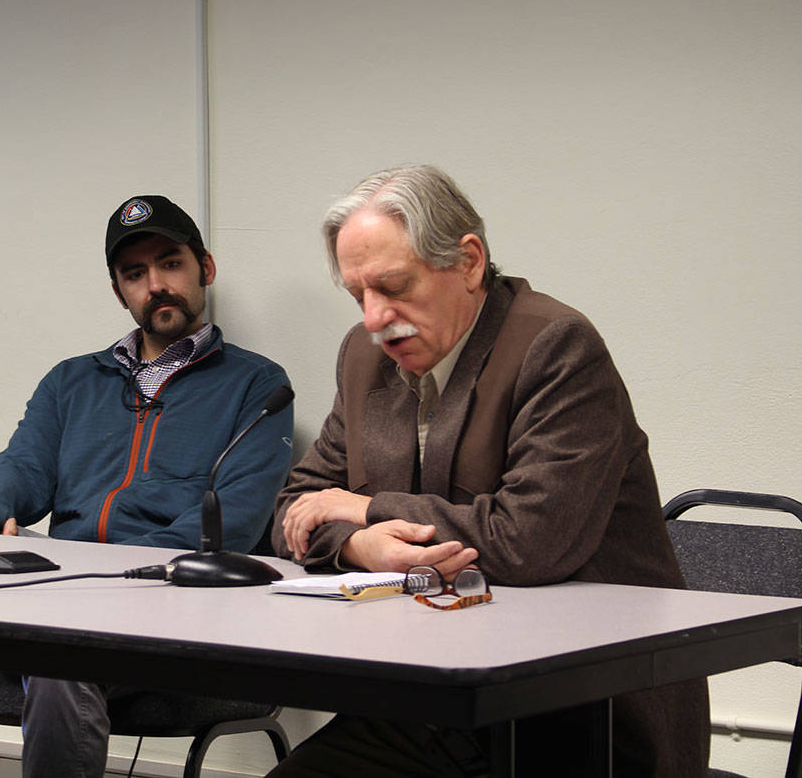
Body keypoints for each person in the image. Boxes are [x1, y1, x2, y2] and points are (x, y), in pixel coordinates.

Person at [270, 166, 708, 776]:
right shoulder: (364, 359)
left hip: (576, 711)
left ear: (468, 262)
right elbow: (299, 508)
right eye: (357, 295)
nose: (374, 318)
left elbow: (528, 541)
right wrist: (363, 547)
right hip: (430, 699)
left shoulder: (556, 347)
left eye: (394, 286)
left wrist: (364, 508)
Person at [0, 195, 293, 777]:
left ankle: (37, 635)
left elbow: (233, 522)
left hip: (171, 607)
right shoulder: (71, 380)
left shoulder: (256, 384)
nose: (155, 285)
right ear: (119, 290)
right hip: (62, 594)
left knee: (58, 656)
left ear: (205, 269)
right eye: (134, 274)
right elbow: (23, 470)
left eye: (170, 264)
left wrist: (116, 580)